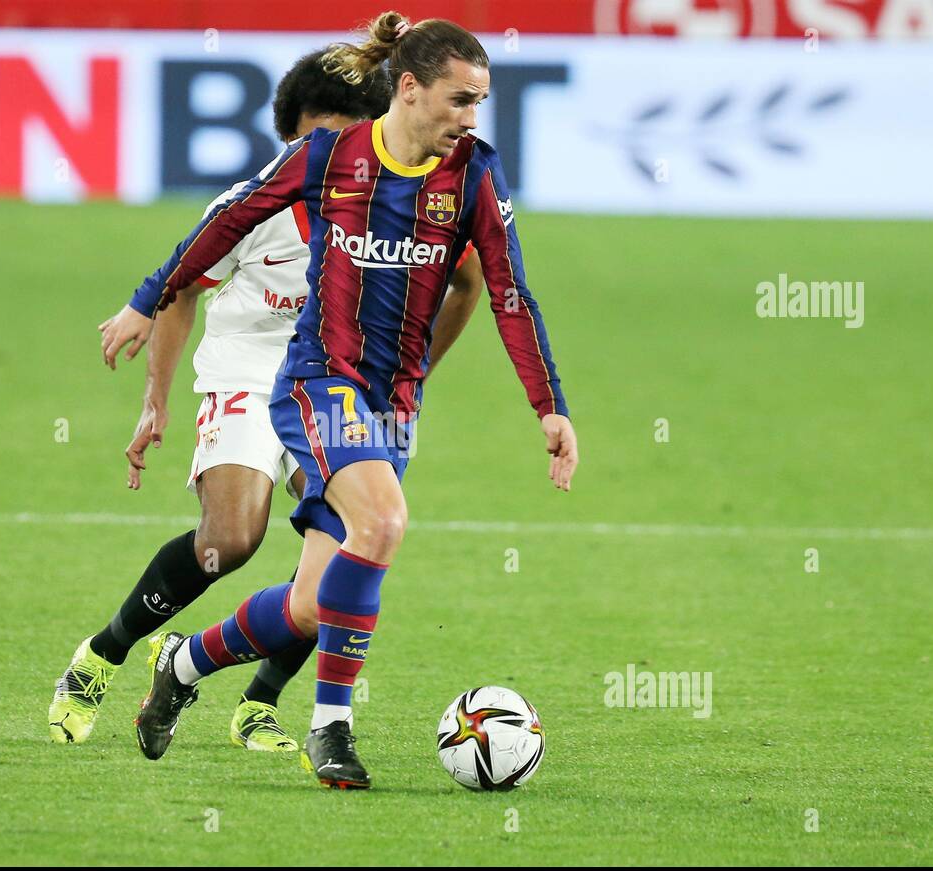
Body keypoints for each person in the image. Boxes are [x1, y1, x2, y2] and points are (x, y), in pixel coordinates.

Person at [128, 11, 578, 789]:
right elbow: (227, 223)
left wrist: (549, 405)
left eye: (480, 102)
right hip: (317, 383)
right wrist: (146, 300)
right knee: (385, 521)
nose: (471, 119)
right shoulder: (330, 157)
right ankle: (330, 729)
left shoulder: (472, 173)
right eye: (460, 100)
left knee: (311, 604)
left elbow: (508, 293)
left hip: (393, 402)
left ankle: (186, 660)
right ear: (408, 89)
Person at [48, 46, 484, 752]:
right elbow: (183, 286)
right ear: (291, 137)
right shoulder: (259, 201)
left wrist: (417, 368)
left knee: (348, 545)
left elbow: (468, 284)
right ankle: (104, 653)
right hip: (248, 372)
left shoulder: (395, 199)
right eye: (312, 138)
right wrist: (155, 401)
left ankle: (259, 702)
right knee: (231, 540)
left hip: (342, 381)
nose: (325, 152)